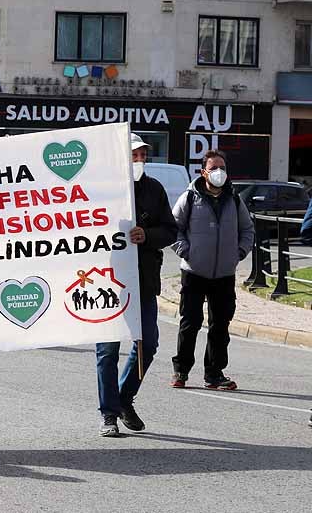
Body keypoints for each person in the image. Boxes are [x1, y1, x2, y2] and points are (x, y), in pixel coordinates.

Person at [95, 134, 177, 438]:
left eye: (143, 154)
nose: (140, 160)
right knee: (107, 351)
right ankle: (109, 413)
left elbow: (171, 229)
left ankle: (123, 398)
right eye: (134, 155)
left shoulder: (154, 190)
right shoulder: (102, 191)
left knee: (149, 344)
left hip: (143, 280)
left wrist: (149, 235)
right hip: (107, 284)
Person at [171, 149, 255, 391]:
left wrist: (238, 253)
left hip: (224, 275)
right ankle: (181, 371)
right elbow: (174, 227)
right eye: (214, 167)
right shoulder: (189, 197)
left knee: (220, 325)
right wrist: (185, 251)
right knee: (190, 322)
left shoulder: (234, 199)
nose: (219, 172)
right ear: (203, 171)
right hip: (194, 272)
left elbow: (247, 230)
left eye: (223, 168)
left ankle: (215, 373)